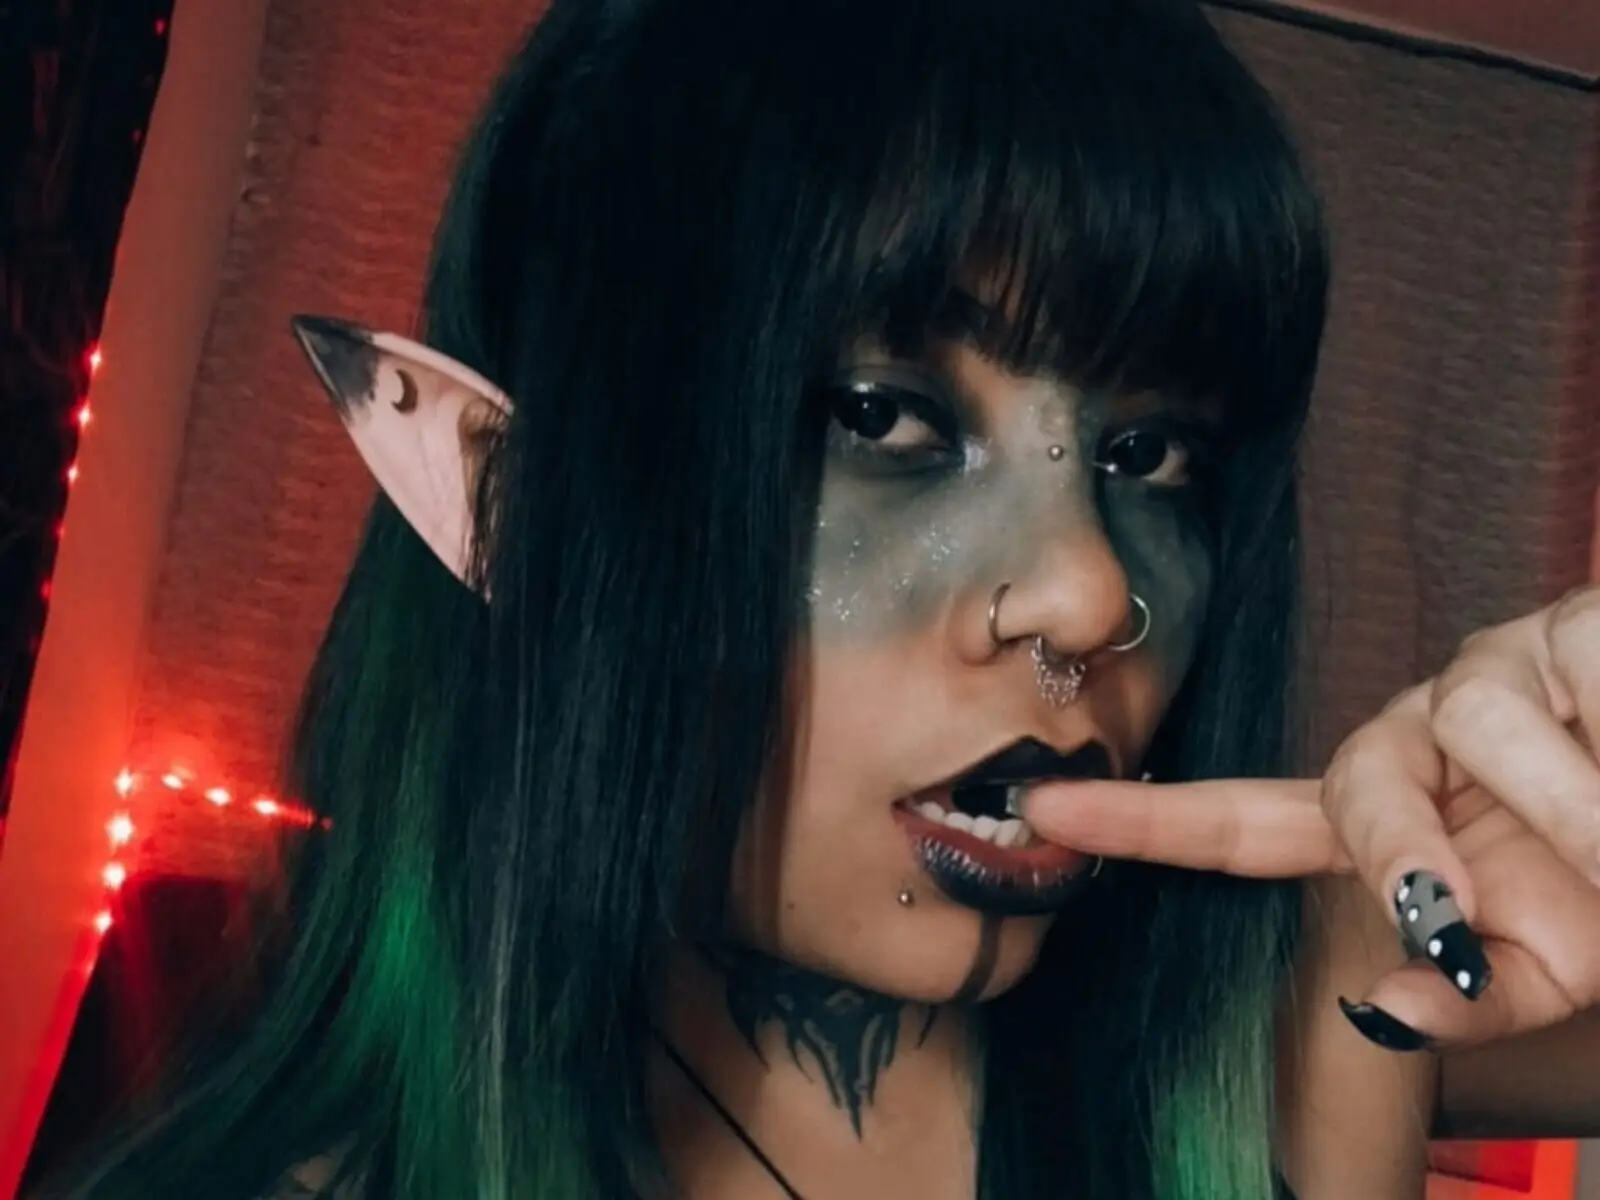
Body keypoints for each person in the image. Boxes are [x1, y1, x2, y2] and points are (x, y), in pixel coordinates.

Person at [44, 0, 1600, 1196]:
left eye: (1152, 454)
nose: (1087, 592)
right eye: (884, 418)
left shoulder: (1315, 999)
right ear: (524, 502)